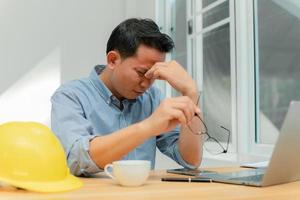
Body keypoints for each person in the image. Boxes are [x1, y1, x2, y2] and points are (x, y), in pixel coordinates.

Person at [51, 18, 203, 176]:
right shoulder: (70, 96)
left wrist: (191, 93)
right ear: (113, 60)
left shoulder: (153, 98)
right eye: (142, 73)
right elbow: (77, 160)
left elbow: (190, 161)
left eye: (154, 76)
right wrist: (148, 127)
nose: (146, 84)